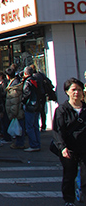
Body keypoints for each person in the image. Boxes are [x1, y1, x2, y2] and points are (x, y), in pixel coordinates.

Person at [52, 78, 86, 206]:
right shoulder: (62, 110)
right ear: (67, 92)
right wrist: (62, 147)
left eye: (79, 89)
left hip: (84, 147)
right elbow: (57, 131)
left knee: (85, 175)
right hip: (69, 148)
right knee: (69, 175)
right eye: (73, 90)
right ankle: (69, 199)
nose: (76, 92)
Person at [22, 66, 43, 152]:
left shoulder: (28, 82)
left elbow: (26, 94)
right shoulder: (36, 80)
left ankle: (33, 145)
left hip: (30, 106)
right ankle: (37, 143)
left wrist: (22, 101)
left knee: (29, 127)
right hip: (37, 105)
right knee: (35, 126)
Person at [5, 67, 26, 149]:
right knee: (18, 127)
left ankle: (19, 143)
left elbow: (14, 101)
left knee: (18, 128)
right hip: (17, 110)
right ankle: (19, 142)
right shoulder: (16, 82)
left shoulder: (14, 86)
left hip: (16, 111)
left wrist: (13, 112)